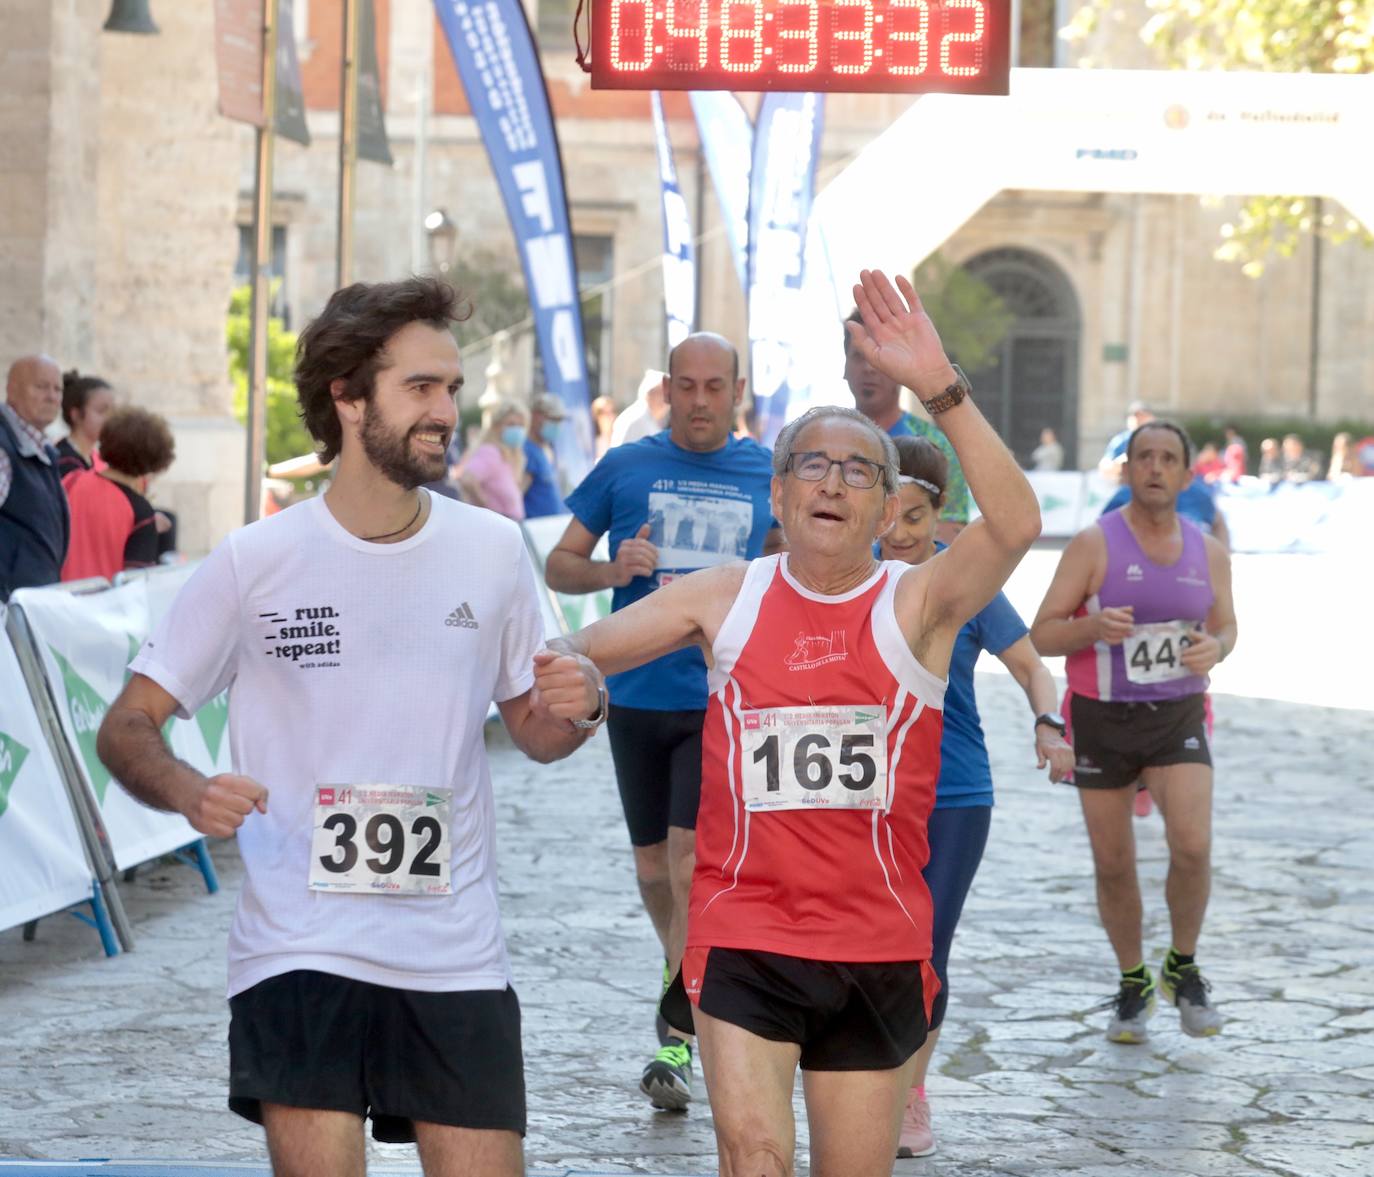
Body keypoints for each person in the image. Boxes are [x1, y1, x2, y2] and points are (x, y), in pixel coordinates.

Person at [95, 276, 605, 1177]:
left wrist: (583, 708)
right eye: (421, 388)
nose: (448, 409)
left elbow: (537, 727)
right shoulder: (255, 562)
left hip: (454, 951)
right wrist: (187, 788)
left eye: (451, 386)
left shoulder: (491, 550)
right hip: (298, 941)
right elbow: (127, 725)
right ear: (346, 395)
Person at [537, 270, 1041, 1176]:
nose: (834, 482)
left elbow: (1015, 522)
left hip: (879, 938)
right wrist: (583, 684)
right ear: (778, 496)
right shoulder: (726, 595)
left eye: (859, 470)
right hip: (747, 931)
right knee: (756, 1155)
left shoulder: (919, 602)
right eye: (812, 463)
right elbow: (581, 653)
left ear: (889, 511)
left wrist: (940, 386)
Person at [545, 332, 778, 1112]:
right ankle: (685, 983)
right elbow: (559, 563)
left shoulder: (765, 472)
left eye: (717, 385)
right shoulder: (626, 466)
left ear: (737, 390)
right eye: (689, 385)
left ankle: (678, 1032)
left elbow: (792, 566)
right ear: (668, 390)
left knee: (686, 865)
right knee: (653, 874)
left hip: (719, 698)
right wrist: (614, 571)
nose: (703, 400)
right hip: (634, 696)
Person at [879, 434, 1073, 1159]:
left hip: (955, 790)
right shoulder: (849, 578)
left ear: (941, 517)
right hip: (864, 792)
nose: (898, 532)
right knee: (866, 942)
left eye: (915, 517)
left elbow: (1032, 668)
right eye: (888, 515)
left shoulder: (967, 580)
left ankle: (912, 1093)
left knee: (926, 948)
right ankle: (865, 1076)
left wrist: (1049, 725)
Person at [1030, 419, 1237, 1045]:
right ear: (1127, 469)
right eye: (1143, 456)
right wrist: (1092, 630)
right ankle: (1132, 980)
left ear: (1183, 473)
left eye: (1167, 458)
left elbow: (1227, 629)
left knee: (1194, 846)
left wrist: (1215, 651)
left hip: (1177, 715)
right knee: (1114, 864)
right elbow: (1041, 633)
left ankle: (1183, 963)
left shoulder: (1210, 552)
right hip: (1101, 717)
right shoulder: (1095, 545)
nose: (1154, 467)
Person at [843, 307, 970, 542]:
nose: (869, 367)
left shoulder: (937, 445)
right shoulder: (824, 440)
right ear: (845, 367)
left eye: (878, 354)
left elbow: (950, 534)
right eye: (859, 355)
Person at [61, 406, 175, 581]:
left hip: (56, 597)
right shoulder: (140, 512)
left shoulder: (71, 480)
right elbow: (135, 582)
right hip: (104, 603)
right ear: (156, 461)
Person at [1, 354, 69, 600]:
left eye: (57, 389)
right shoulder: (3, 446)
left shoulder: (43, 448)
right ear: (11, 389)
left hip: (29, 607)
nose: (51, 396)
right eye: (40, 387)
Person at [1101, 466, 1231, 550]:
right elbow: (1099, 536)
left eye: (1168, 459)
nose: (1157, 468)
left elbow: (1218, 521)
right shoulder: (1124, 497)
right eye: (1147, 457)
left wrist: (1221, 560)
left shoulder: (1198, 495)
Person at [457, 399, 529, 521]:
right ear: (496, 426)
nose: (517, 429)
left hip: (512, 523)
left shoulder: (509, 455)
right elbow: (467, 480)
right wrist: (487, 508)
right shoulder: (491, 452)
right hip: (500, 524)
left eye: (521, 425)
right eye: (511, 424)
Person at [57, 370, 115, 479]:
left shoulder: (96, 459)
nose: (110, 419)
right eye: (101, 411)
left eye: (113, 411)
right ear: (76, 415)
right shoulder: (64, 462)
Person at [523, 392, 566, 518]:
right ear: (536, 416)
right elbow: (516, 494)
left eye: (559, 421)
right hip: (534, 529)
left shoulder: (545, 449)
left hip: (548, 528)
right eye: (553, 419)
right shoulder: (526, 451)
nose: (557, 425)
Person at [1098, 401, 1154, 483]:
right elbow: (1104, 467)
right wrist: (1120, 464)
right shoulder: (1121, 441)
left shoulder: (1160, 439)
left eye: (1142, 416)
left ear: (1151, 418)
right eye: (1135, 416)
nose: (1138, 420)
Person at [610, 369, 668, 446]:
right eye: (660, 393)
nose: (665, 400)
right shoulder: (636, 418)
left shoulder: (650, 419)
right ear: (649, 394)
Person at [591, 394, 618, 460]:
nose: (609, 416)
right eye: (605, 413)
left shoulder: (620, 435)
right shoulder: (592, 440)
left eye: (612, 411)